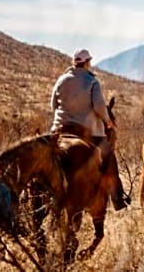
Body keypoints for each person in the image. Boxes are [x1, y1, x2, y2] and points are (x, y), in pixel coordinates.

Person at [50, 48, 129, 211]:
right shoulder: (91, 81)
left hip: (59, 129)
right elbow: (99, 106)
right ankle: (117, 198)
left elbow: (53, 105)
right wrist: (108, 122)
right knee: (109, 158)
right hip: (86, 130)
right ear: (87, 63)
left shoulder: (61, 80)